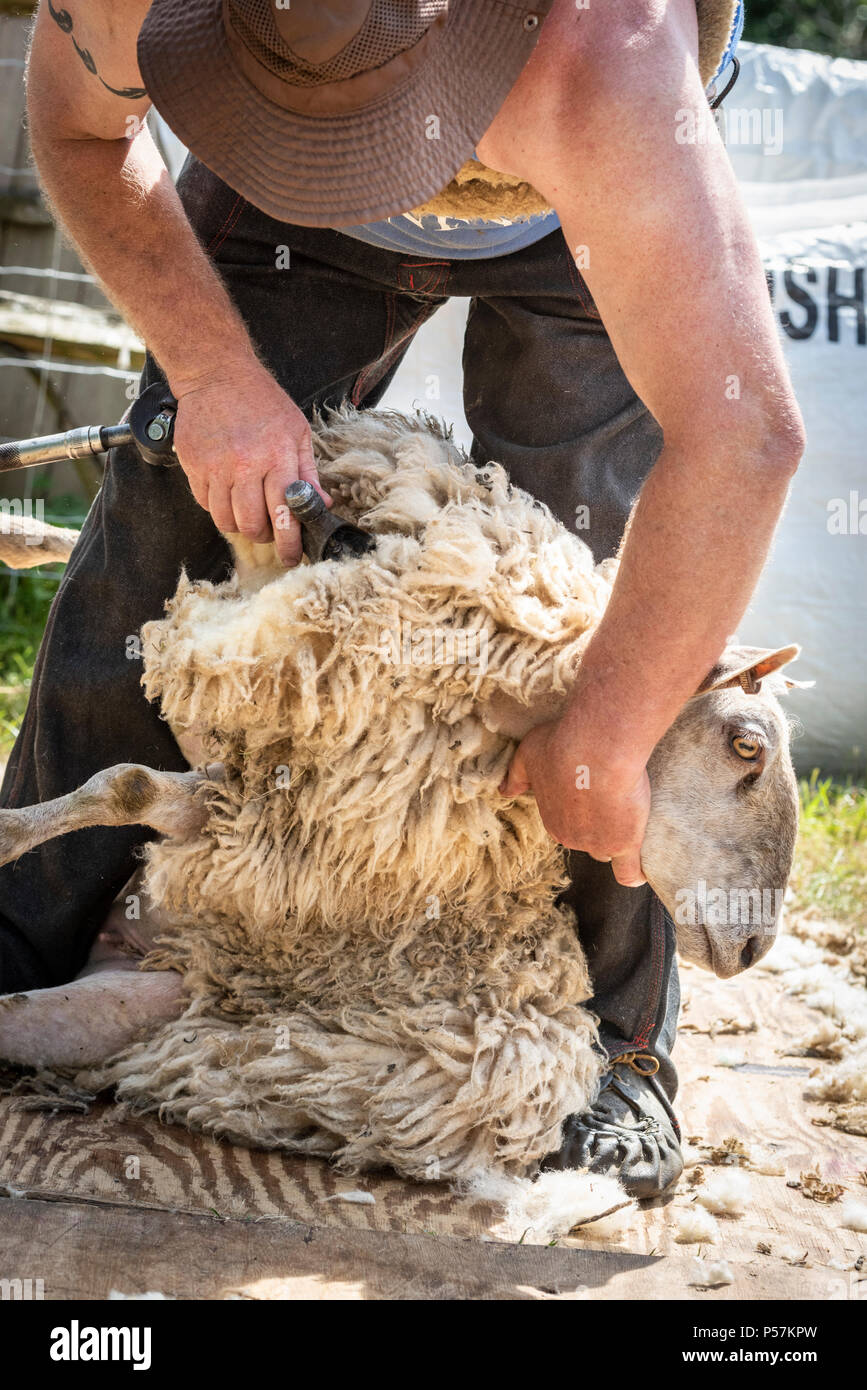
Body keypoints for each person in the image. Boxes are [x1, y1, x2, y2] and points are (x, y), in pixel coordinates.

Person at [0, 0, 804, 1197]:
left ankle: (618, 1045)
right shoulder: (135, 2)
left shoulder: (609, 55)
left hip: (577, 189)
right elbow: (77, 132)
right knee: (167, 506)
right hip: (280, 182)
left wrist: (609, 729)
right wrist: (215, 374)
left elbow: (741, 436)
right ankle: (21, 927)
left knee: (578, 593)